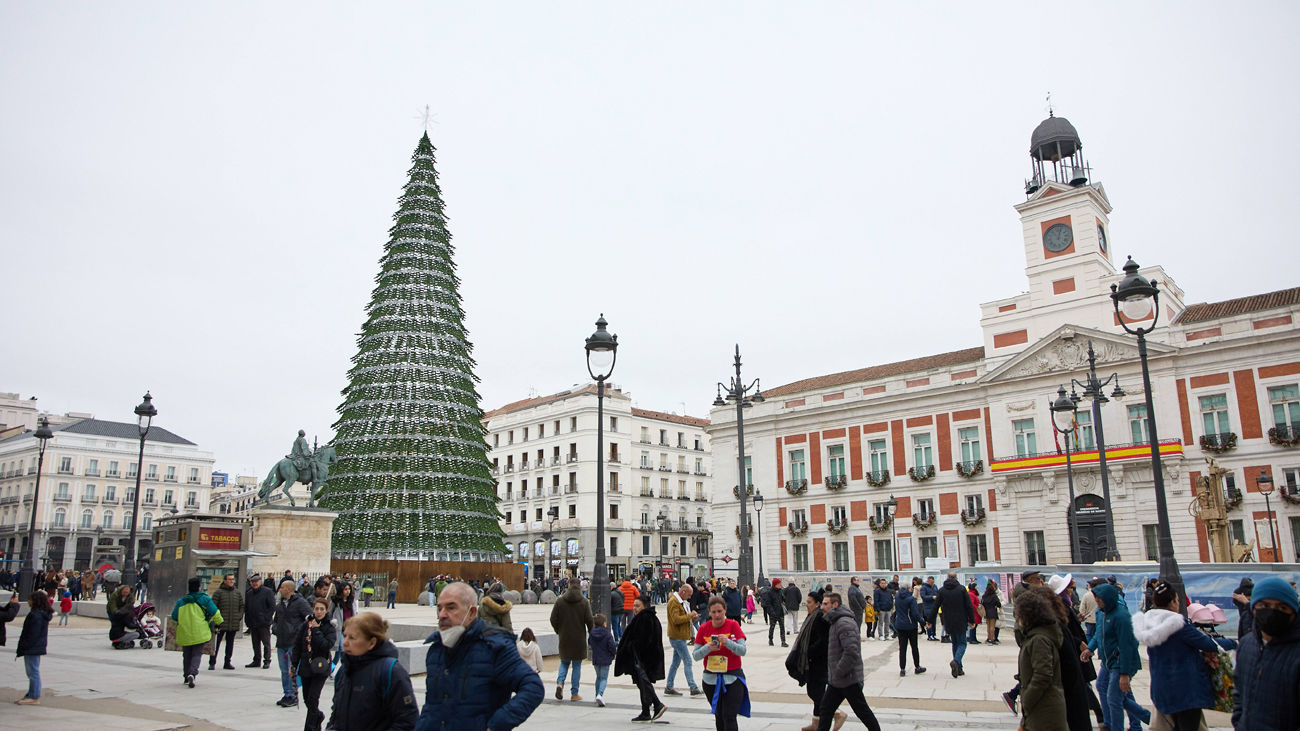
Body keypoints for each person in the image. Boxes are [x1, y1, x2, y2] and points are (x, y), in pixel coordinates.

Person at [417, 582, 543, 730]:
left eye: (451, 608)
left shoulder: (496, 647)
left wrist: (496, 725)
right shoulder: (436, 649)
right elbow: (432, 704)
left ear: (472, 612)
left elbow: (533, 688)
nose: (442, 614)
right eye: (439, 608)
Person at [1133, 579, 1236, 731]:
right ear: (1173, 602)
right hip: (1186, 690)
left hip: (1162, 688)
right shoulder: (1178, 625)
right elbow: (1210, 645)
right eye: (1178, 600)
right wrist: (1235, 643)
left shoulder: (1148, 623)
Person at [1231, 575, 1300, 730]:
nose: (1272, 612)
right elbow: (1239, 691)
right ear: (1254, 609)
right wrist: (1239, 722)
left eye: (1282, 607)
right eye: (1264, 605)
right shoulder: (1247, 644)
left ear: (1294, 612)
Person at [329, 612, 419, 730]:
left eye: (352, 638)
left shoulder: (391, 671)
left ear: (372, 643)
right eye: (344, 635)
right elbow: (336, 716)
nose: (345, 642)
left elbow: (408, 721)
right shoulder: (343, 671)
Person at [1085, 581, 1150, 731]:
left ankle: (1120, 726)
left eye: (1098, 599)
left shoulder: (1121, 616)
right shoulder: (1103, 613)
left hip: (1119, 663)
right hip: (1110, 661)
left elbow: (1127, 646)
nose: (1096, 602)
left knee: (1114, 698)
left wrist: (1124, 673)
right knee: (1113, 692)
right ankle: (1146, 719)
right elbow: (1099, 634)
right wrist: (1090, 648)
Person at [816, 592, 881, 731]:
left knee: (862, 711)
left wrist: (839, 670)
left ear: (835, 605)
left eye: (825, 604)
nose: (822, 607)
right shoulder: (835, 621)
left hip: (848, 678)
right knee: (826, 709)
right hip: (838, 680)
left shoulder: (844, 623)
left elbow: (851, 652)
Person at [692, 595, 749, 731]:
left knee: (729, 716)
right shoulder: (703, 628)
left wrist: (728, 642)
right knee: (719, 715)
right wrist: (707, 648)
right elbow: (695, 655)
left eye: (720, 611)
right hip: (711, 679)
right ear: (709, 613)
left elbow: (742, 651)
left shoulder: (733, 625)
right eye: (713, 612)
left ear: (725, 610)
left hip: (733, 678)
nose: (717, 615)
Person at [786, 592, 841, 731]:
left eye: (809, 602)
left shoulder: (819, 617)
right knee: (816, 692)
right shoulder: (812, 616)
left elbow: (823, 641)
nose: (806, 604)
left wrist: (808, 651)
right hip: (814, 661)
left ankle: (837, 714)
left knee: (815, 693)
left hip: (818, 662)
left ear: (817, 603)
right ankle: (816, 723)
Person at [1015, 586, 1067, 730]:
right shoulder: (1036, 636)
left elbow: (1043, 674)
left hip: (1044, 707)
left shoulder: (1039, 639)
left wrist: (1027, 700)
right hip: (1041, 706)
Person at [616, 596, 667, 722]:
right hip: (647, 657)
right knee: (642, 683)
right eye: (634, 606)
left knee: (643, 682)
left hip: (643, 658)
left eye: (637, 606)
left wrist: (630, 647)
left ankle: (656, 704)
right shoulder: (649, 617)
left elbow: (642, 640)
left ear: (645, 606)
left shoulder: (644, 618)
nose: (634, 609)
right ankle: (646, 711)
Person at [293, 597, 338, 731]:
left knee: (313, 698)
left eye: (322, 609)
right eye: (316, 609)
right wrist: (294, 664)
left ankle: (310, 728)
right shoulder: (306, 624)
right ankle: (318, 716)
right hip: (307, 665)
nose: (319, 612)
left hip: (321, 667)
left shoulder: (330, 626)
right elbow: (297, 645)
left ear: (326, 610)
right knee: (307, 699)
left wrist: (317, 631)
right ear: (313, 609)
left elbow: (327, 645)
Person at [171, 576, 224, 688]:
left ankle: (186, 676)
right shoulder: (205, 599)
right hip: (200, 631)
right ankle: (192, 673)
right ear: (200, 587)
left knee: (186, 655)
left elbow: (174, 616)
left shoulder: (181, 601)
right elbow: (215, 613)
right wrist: (219, 622)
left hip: (185, 632)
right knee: (196, 654)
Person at [549, 577, 593, 702]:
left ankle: (559, 683)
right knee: (577, 665)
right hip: (578, 637)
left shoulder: (560, 601)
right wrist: (591, 633)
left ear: (568, 585)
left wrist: (559, 630)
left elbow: (553, 619)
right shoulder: (584, 602)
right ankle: (574, 693)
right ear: (579, 586)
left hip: (564, 636)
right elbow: (589, 620)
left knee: (564, 662)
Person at [274, 576, 314, 707]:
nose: (280, 589)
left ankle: (292, 695)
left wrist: (299, 632)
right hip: (281, 642)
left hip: (293, 642)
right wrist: (275, 628)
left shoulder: (300, 602)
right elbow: (276, 620)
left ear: (289, 589)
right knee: (284, 670)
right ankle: (287, 693)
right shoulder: (280, 605)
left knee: (292, 670)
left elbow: (309, 619)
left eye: (282, 587)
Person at [929, 571, 976, 677]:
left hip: (948, 620)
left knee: (955, 643)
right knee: (962, 643)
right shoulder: (962, 589)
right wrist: (972, 620)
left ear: (947, 578)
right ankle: (956, 661)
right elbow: (969, 606)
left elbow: (936, 606)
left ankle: (959, 668)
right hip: (961, 619)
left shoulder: (942, 590)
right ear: (956, 578)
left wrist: (929, 620)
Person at [14, 589, 52, 705]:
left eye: (30, 599)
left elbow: (32, 633)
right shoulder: (40, 613)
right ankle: (31, 694)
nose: (28, 601)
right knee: (32, 671)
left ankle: (34, 696)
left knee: (33, 672)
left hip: (32, 647)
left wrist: (25, 646)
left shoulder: (36, 615)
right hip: (35, 646)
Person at [665, 582, 702, 697]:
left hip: (679, 636)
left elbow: (683, 619)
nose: (690, 597)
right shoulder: (674, 602)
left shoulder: (680, 602)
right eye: (689, 594)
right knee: (688, 661)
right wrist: (691, 615)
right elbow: (676, 619)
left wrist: (693, 618)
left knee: (675, 663)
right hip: (677, 637)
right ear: (683, 592)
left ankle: (669, 686)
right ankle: (693, 687)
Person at [209, 572, 245, 671]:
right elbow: (213, 607)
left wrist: (239, 616)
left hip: (232, 623)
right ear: (225, 581)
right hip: (220, 623)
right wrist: (217, 620)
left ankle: (227, 662)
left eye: (233, 579)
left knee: (230, 644)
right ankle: (212, 662)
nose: (231, 581)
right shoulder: (218, 592)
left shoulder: (237, 593)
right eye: (229, 579)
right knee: (216, 643)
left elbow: (241, 606)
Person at [892, 580, 926, 677]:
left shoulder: (897, 597)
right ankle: (917, 667)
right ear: (908, 588)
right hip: (911, 625)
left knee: (902, 648)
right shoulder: (911, 599)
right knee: (914, 647)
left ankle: (902, 669)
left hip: (900, 625)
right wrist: (923, 622)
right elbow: (915, 614)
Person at [245, 573, 276, 669]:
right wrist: (247, 620)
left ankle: (267, 660)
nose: (254, 584)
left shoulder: (267, 592)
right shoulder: (249, 593)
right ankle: (256, 660)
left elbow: (272, 607)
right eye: (252, 582)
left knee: (266, 642)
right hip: (253, 622)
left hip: (263, 623)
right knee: (255, 643)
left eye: (256, 582)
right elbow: (247, 607)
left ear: (260, 582)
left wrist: (266, 618)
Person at [589, 614, 617, 706]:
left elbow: (590, 642)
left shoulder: (592, 633)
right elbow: (612, 646)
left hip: (596, 658)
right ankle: (600, 694)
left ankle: (596, 694)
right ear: (604, 623)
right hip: (605, 658)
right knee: (604, 678)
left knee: (598, 677)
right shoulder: (607, 633)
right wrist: (613, 654)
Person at [764, 578, 788, 646]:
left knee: (782, 627)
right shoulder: (770, 592)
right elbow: (768, 603)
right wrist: (771, 612)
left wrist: (784, 596)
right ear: (775, 584)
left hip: (780, 612)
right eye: (779, 584)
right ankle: (770, 639)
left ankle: (783, 641)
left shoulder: (781, 591)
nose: (781, 585)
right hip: (773, 613)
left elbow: (784, 600)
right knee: (772, 627)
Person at [981, 579, 1003, 644]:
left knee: (988, 626)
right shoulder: (994, 596)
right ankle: (992, 639)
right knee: (992, 627)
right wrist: (996, 605)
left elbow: (982, 604)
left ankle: (988, 638)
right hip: (993, 612)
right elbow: (999, 604)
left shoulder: (984, 596)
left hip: (986, 612)